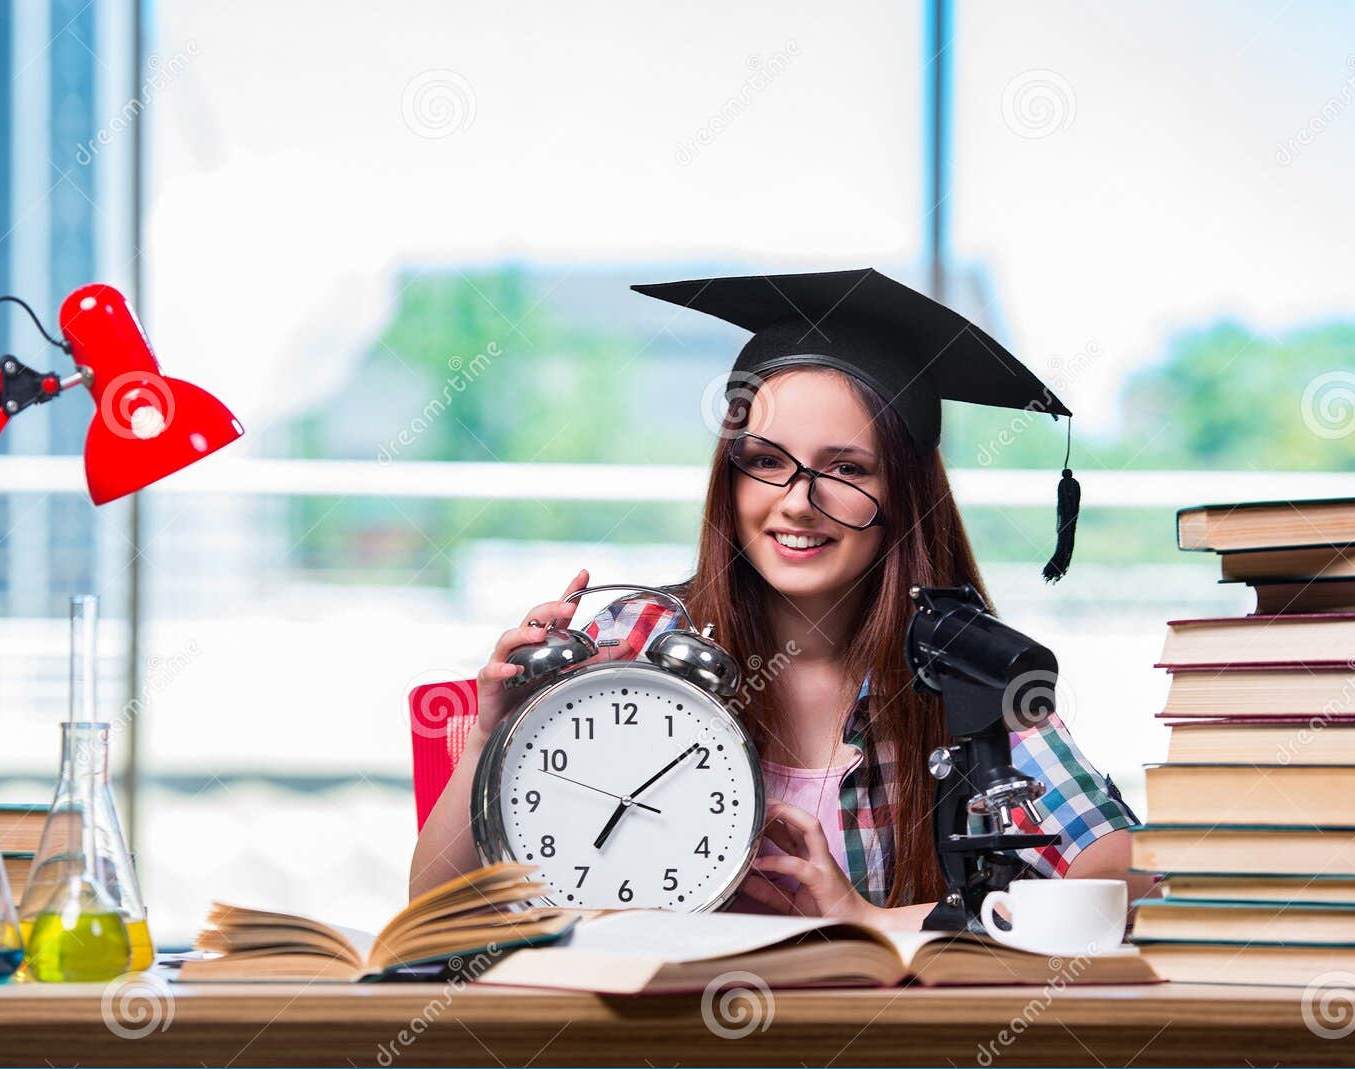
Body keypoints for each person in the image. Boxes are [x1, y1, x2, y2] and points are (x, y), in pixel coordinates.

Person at [409, 269, 1142, 928]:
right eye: (765, 461)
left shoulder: (961, 671)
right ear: (729, 480)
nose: (797, 502)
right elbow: (437, 917)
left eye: (846, 469)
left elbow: (1128, 881)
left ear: (905, 494)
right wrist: (490, 738)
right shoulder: (638, 640)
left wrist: (867, 923)